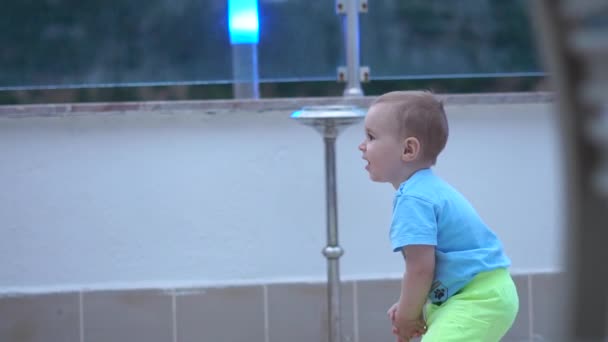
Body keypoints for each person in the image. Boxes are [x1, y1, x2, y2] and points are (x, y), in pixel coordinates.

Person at [358, 90, 519, 341]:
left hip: (477, 297)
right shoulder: (423, 190)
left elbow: (420, 269)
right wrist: (407, 305)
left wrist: (407, 318)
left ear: (408, 149)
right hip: (474, 293)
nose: (362, 145)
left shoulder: (414, 199)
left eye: (371, 136)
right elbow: (425, 273)